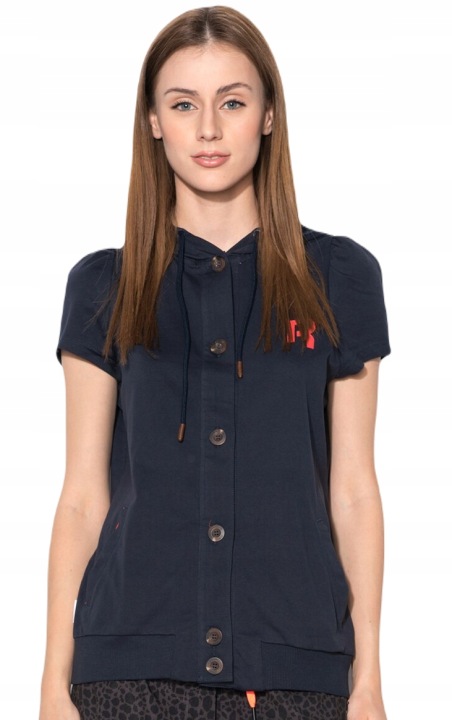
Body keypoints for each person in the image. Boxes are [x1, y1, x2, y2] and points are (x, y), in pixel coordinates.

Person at [39, 6, 391, 720]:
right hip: (128, 671)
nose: (207, 129)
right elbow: (81, 495)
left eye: (232, 102)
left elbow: (354, 490)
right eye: (182, 104)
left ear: (267, 115)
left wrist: (369, 680)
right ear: (153, 121)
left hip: (297, 671)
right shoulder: (104, 286)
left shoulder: (338, 277)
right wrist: (53, 684)